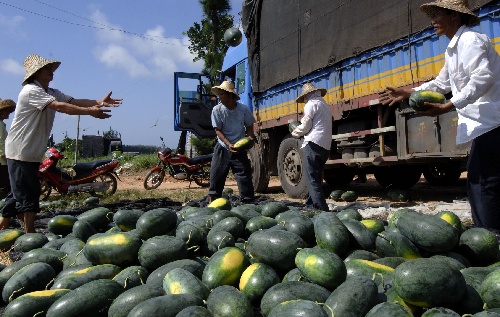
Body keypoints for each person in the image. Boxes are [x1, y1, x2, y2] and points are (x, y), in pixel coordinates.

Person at [379, 0, 500, 233]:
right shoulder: (453, 49)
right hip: (483, 125)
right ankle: (486, 233)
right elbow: (442, 83)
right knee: (479, 183)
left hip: (493, 122)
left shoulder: (471, 41)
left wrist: (448, 107)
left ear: (454, 16)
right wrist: (411, 91)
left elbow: (483, 78)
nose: (433, 21)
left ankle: (491, 238)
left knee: (484, 184)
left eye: (437, 15)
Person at [0, 53, 122, 233]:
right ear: (37, 72)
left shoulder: (51, 92)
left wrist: (99, 102)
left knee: (19, 189)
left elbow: (73, 101)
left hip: (31, 151)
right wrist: (90, 111)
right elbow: (60, 107)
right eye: (47, 69)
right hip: (20, 150)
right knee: (29, 192)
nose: (51, 72)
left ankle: (4, 225)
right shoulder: (30, 91)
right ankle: (29, 233)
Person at [208, 81, 256, 203]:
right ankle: (213, 201)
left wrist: (250, 137)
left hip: (239, 148)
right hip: (223, 147)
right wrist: (228, 144)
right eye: (219, 94)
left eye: (222, 94)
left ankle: (248, 202)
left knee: (244, 175)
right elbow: (218, 130)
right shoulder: (217, 110)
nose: (219, 97)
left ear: (230, 95)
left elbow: (249, 125)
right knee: (216, 175)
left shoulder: (243, 109)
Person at [291, 82, 333, 211]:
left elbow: (305, 125)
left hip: (313, 143)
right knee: (316, 176)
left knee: (311, 178)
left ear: (307, 95)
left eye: (304, 98)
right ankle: (309, 205)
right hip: (325, 145)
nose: (304, 100)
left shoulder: (311, 104)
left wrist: (295, 132)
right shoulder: (325, 105)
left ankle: (322, 208)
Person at [0, 99, 16, 198]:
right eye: (6, 111)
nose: (8, 113)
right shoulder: (0, 125)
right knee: (5, 186)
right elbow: (1, 142)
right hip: (1, 162)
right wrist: (5, 155)